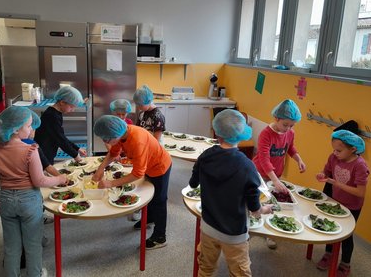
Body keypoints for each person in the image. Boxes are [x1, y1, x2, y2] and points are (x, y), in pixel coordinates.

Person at [0, 106, 67, 277]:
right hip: (29, 201)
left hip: (6, 200)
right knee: (32, 243)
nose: (31, 130)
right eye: (28, 126)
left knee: (11, 244)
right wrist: (60, 179)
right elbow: (40, 180)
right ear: (15, 129)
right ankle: (35, 274)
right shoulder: (30, 149)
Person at [189, 109, 273, 276]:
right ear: (241, 135)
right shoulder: (247, 165)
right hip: (234, 235)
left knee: (205, 268)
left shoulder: (205, 156)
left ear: (216, 132)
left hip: (208, 227)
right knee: (239, 272)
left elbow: (193, 183)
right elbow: (255, 208)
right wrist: (264, 210)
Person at [92, 115, 172, 249]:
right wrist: (101, 169)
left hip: (160, 167)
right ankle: (150, 218)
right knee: (151, 196)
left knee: (159, 200)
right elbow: (113, 153)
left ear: (115, 134)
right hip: (148, 166)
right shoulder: (121, 134)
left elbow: (137, 173)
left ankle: (160, 237)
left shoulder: (137, 140)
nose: (105, 141)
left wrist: (110, 183)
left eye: (107, 139)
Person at [252, 99, 306, 249]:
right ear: (276, 118)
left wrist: (299, 160)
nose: (288, 129)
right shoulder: (266, 134)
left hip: (275, 176)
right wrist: (275, 181)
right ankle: (250, 227)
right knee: (256, 201)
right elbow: (264, 159)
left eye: (291, 125)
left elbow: (291, 149)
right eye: (285, 125)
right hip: (259, 174)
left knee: (272, 203)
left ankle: (270, 233)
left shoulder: (289, 133)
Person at [316, 130, 369, 277]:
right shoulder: (334, 157)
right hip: (335, 201)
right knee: (330, 229)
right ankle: (329, 254)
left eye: (339, 150)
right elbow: (326, 172)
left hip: (352, 206)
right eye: (333, 149)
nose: (335, 153)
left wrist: (337, 183)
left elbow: (360, 193)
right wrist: (322, 175)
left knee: (346, 236)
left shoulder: (360, 165)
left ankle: (345, 264)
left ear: (353, 149)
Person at [34, 86, 87, 165]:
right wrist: (76, 156)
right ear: (62, 102)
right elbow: (60, 140)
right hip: (43, 155)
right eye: (71, 107)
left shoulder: (55, 113)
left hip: (47, 152)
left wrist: (77, 148)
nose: (73, 110)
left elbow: (61, 136)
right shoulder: (51, 116)